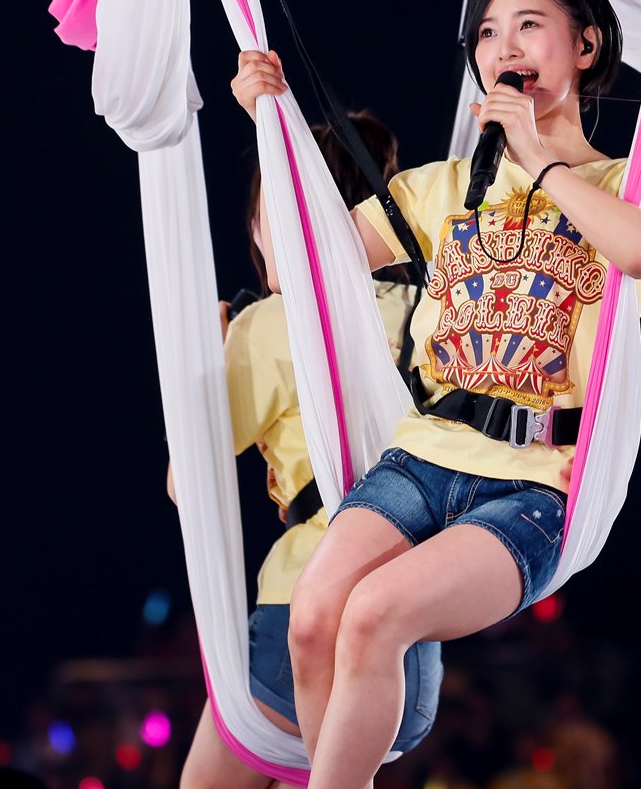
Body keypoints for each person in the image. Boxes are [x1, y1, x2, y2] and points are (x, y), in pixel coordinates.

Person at [231, 0, 641, 788]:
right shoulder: (441, 190)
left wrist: (538, 160)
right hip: (422, 457)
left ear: (585, 45)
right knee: (314, 618)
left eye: (527, 25)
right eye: (487, 33)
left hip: (536, 486)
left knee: (373, 615)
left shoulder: (637, 179)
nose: (502, 46)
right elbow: (304, 264)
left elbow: (637, 251)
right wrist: (272, 124)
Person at [175, 115, 444, 789]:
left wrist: (205, 365)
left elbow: (188, 483)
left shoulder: (271, 325)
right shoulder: (432, 312)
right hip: (414, 652)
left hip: (304, 622)